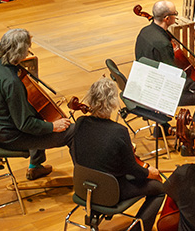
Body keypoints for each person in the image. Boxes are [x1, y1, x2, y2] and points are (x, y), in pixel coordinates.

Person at [68, 77, 165, 231]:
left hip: (84, 186)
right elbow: (132, 169)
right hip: (111, 192)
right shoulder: (119, 131)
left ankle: (96, 212)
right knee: (159, 188)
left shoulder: (80, 123)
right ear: (113, 103)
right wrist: (149, 172)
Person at [0, 28, 74, 181]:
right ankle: (85, 181)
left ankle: (36, 166)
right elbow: (25, 124)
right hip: (8, 137)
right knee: (73, 131)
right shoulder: (11, 82)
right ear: (20, 52)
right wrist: (53, 126)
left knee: (33, 109)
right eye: (27, 49)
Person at [135, 0, 195, 106]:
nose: (176, 16)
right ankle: (194, 123)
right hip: (158, 92)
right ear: (167, 19)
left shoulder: (144, 31)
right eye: (175, 14)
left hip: (143, 83)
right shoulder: (163, 44)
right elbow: (172, 76)